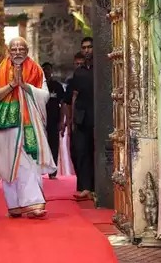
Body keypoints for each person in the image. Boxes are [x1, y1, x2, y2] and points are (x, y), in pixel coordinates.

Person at [0, 37, 56, 218]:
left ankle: (33, 203)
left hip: (29, 124)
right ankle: (14, 205)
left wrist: (25, 86)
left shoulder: (36, 69)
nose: (17, 52)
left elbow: (45, 95)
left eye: (21, 48)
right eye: (14, 49)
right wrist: (11, 85)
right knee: (9, 163)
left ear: (27, 50)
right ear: (9, 51)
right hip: (6, 125)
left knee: (27, 162)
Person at [69, 37, 95, 200]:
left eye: (89, 47)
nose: (86, 50)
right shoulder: (78, 72)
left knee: (96, 152)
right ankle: (85, 187)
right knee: (82, 151)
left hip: (98, 115)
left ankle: (96, 187)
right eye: (84, 47)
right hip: (81, 117)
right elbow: (73, 95)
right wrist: (72, 119)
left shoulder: (101, 69)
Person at [41, 62, 65, 179]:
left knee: (54, 146)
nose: (46, 72)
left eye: (48, 70)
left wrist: (62, 121)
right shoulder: (38, 86)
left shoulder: (57, 86)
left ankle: (53, 171)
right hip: (40, 122)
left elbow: (63, 104)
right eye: (44, 70)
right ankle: (39, 170)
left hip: (54, 121)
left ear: (51, 71)